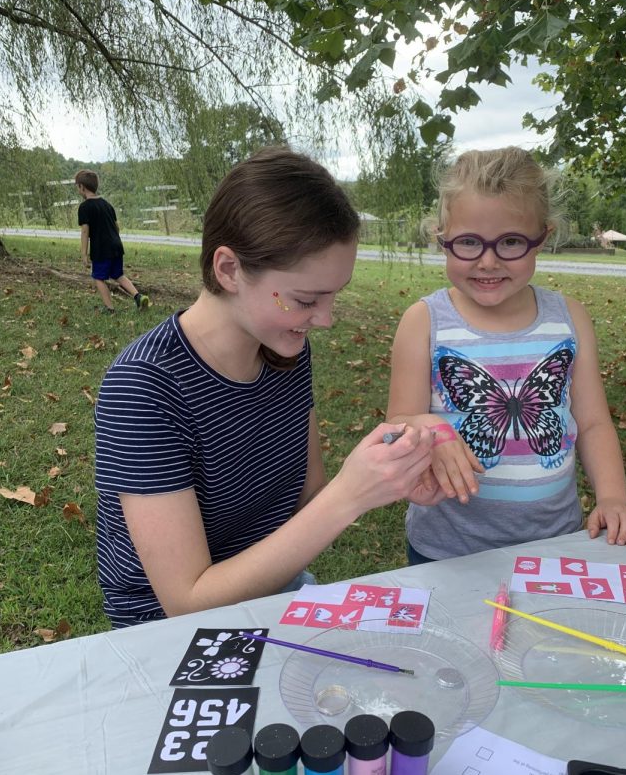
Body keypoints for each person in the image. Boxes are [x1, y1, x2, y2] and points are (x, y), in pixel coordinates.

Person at [94, 147, 439, 628]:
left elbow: (309, 500)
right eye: (305, 299)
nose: (326, 319)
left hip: (275, 596)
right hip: (167, 635)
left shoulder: (284, 353)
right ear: (229, 269)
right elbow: (187, 600)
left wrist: (388, 477)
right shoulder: (145, 387)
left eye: (333, 296)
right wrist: (350, 495)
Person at [386, 146, 626, 564]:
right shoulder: (424, 321)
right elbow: (398, 423)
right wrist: (432, 431)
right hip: (447, 549)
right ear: (442, 238)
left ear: (541, 238)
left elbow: (594, 422)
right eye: (469, 242)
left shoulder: (569, 319)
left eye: (510, 241)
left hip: (554, 541)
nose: (488, 262)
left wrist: (614, 498)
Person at [75, 169, 149, 314]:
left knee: (98, 277)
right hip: (116, 246)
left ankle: (110, 309)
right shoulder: (107, 204)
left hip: (101, 249)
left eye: (77, 186)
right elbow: (116, 227)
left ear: (82, 187)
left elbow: (85, 231)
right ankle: (138, 297)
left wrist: (84, 253)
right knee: (118, 275)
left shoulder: (84, 207)